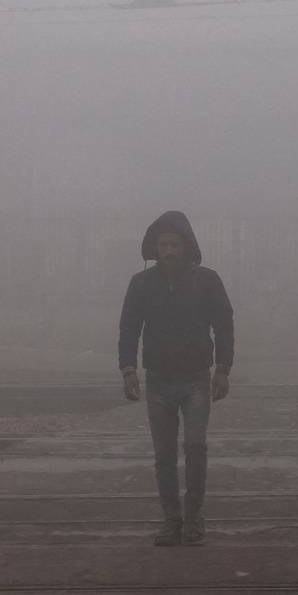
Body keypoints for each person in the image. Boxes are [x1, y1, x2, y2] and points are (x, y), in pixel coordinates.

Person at [118, 210, 234, 548]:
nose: (168, 250)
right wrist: (127, 368)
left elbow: (224, 324)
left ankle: (194, 517)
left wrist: (224, 368)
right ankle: (172, 521)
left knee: (196, 447)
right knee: (164, 454)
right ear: (154, 247)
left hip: (197, 378)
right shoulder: (141, 284)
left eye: (174, 244)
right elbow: (129, 327)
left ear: (186, 246)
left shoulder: (207, 280)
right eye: (163, 244)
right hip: (157, 380)